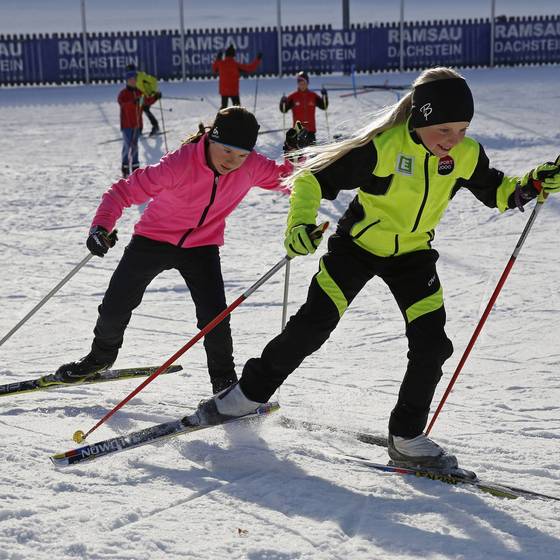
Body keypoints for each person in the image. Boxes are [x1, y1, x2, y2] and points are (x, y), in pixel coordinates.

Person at [192, 67, 560, 469]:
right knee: (313, 326)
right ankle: (245, 396)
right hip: (357, 248)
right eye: (445, 130)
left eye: (462, 130)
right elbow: (313, 179)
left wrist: (533, 184)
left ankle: (406, 436)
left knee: (432, 345)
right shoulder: (384, 147)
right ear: (420, 119)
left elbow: (500, 192)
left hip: (413, 256)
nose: (453, 141)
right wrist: (300, 223)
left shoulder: (465, 155)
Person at [53, 107, 312, 394]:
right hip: (153, 239)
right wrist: (100, 227)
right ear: (211, 139)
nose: (232, 162)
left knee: (215, 318)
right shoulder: (179, 164)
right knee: (116, 305)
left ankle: (224, 383)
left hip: (202, 246)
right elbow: (121, 192)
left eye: (241, 155)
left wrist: (295, 153)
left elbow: (289, 182)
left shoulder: (249, 166)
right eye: (227, 151)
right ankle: (100, 358)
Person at [279, 71, 329, 144]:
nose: (302, 86)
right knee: (300, 154)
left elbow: (324, 106)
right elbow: (284, 110)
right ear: (298, 84)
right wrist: (282, 102)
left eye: (304, 83)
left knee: (312, 154)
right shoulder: (293, 97)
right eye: (300, 84)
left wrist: (325, 96)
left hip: (310, 131)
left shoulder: (313, 96)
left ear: (307, 83)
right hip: (298, 131)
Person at [212, 45, 262, 109]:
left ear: (226, 54)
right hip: (233, 90)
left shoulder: (220, 64)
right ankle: (238, 118)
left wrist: (218, 59)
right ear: (233, 55)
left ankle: (221, 118)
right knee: (238, 109)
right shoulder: (236, 65)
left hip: (224, 90)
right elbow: (250, 68)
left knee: (223, 108)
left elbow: (214, 69)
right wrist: (258, 59)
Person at [118, 68, 143, 178]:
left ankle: (135, 167)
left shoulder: (139, 92)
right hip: (127, 125)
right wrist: (133, 102)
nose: (133, 81)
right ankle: (125, 167)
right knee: (128, 146)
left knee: (135, 146)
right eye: (131, 79)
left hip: (137, 125)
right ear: (127, 81)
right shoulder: (123, 94)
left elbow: (145, 102)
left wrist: (155, 97)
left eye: (135, 79)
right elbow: (123, 104)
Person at [125, 63, 162, 137]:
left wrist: (153, 91)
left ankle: (155, 126)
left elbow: (154, 81)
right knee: (138, 112)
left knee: (144, 109)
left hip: (148, 96)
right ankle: (139, 129)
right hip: (140, 98)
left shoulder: (141, 76)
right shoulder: (129, 80)